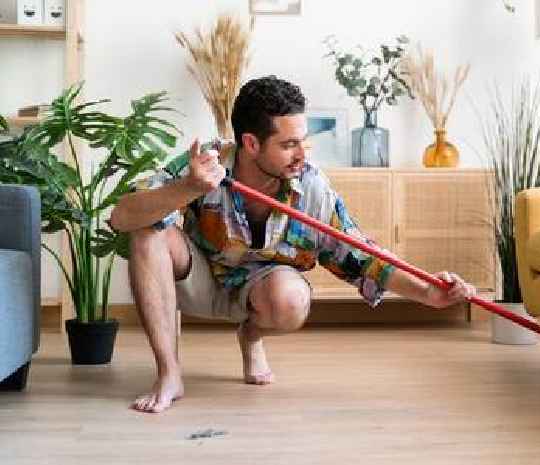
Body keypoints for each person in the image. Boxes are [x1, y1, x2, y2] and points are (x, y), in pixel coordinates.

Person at [109, 76, 477, 414]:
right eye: (288, 145)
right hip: (198, 279)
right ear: (251, 144)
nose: (302, 155)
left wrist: (429, 292)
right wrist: (186, 188)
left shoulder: (312, 187)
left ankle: (251, 334)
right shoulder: (208, 163)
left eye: (304, 141)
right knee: (147, 231)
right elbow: (121, 218)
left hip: (264, 290)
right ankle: (170, 374)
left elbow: (361, 255)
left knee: (292, 299)